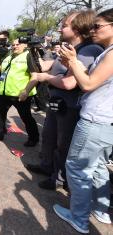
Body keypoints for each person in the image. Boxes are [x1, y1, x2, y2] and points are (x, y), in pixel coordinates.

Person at [26, 10, 103, 191]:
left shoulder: (89, 50)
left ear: (77, 28)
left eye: (64, 25)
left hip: (70, 107)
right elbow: (43, 67)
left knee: (63, 144)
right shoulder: (68, 49)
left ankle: (58, 179)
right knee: (49, 137)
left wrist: (46, 78)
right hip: (57, 102)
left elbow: (69, 83)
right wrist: (34, 51)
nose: (60, 29)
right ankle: (47, 166)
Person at [53, 8, 113, 234]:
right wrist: (71, 64)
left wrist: (72, 61)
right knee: (98, 166)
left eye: (98, 26)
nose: (93, 30)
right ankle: (100, 210)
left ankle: (78, 218)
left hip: (95, 120)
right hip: (105, 122)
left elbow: (87, 84)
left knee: (77, 168)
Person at [0, 39, 39, 146]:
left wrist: (26, 91)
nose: (15, 46)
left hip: (20, 94)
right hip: (5, 93)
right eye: (13, 45)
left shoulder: (28, 56)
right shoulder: (8, 56)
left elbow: (35, 76)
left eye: (17, 44)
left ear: (24, 45)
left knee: (26, 117)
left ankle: (33, 138)